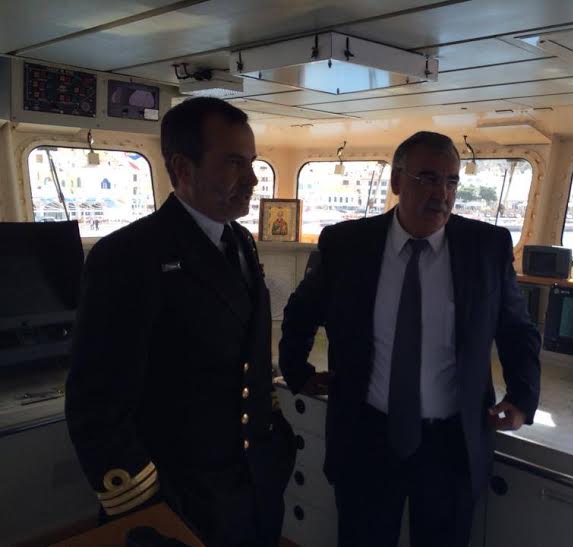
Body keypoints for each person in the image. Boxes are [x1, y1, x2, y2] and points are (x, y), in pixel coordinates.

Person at [278, 131, 541, 547]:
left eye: (451, 181)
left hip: (451, 444)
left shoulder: (486, 247)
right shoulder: (347, 244)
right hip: (366, 437)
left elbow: (517, 329)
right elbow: (302, 310)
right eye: (428, 178)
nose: (442, 193)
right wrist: (297, 370)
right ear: (397, 181)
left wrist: (522, 398)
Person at [65, 97, 296, 547]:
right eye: (234, 163)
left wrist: (274, 444)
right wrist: (145, 505)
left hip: (252, 480)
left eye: (252, 163)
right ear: (183, 168)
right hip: (179, 495)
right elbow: (95, 404)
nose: (252, 180)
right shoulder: (128, 256)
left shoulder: (240, 242)